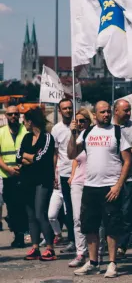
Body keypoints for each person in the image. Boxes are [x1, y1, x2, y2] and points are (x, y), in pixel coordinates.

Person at [67, 100, 132, 278]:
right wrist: (73, 134)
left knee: (112, 226)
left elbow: (127, 160)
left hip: (110, 187)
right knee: (89, 226)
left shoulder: (117, 132)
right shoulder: (87, 132)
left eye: (108, 111)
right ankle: (93, 262)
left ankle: (112, 263)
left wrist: (118, 185)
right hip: (90, 186)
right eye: (102, 112)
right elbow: (71, 153)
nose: (106, 114)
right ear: (95, 115)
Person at [17, 107, 57, 261]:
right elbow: (18, 156)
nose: (24, 124)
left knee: (41, 213)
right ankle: (35, 247)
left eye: (25, 121)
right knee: (31, 215)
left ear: (30, 121)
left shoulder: (47, 137)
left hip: (42, 180)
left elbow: (41, 158)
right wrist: (30, 157)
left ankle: (50, 248)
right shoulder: (26, 138)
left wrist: (29, 158)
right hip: (28, 180)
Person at [112, 99, 132, 258]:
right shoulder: (108, 127)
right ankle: (110, 242)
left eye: (129, 110)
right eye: (125, 110)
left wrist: (125, 152)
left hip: (129, 178)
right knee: (111, 212)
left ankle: (122, 244)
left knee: (126, 212)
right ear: (116, 111)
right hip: (110, 177)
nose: (129, 113)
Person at [67, 108, 93, 267]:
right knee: (77, 218)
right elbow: (73, 155)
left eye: (82, 121)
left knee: (93, 219)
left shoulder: (94, 135)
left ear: (89, 121)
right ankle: (80, 253)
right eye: (77, 121)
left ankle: (95, 252)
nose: (80, 124)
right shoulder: (78, 136)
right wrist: (73, 134)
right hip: (78, 181)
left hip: (93, 181)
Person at [0, 104, 29, 248]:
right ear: (6, 116)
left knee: (24, 206)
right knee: (12, 207)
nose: (13, 117)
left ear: (19, 116)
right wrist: (8, 169)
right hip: (7, 175)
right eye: (10, 114)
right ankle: (17, 233)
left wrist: (22, 167)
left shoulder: (25, 131)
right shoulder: (1, 132)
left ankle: (23, 234)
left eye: (16, 114)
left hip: (24, 174)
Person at [50, 98, 77, 253]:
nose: (68, 111)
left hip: (80, 172)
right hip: (65, 173)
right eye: (64, 109)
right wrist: (54, 173)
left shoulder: (78, 124)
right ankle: (72, 239)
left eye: (69, 108)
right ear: (59, 111)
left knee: (79, 209)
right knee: (68, 210)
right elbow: (55, 154)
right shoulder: (56, 129)